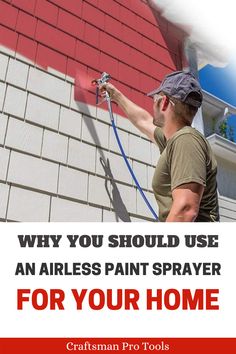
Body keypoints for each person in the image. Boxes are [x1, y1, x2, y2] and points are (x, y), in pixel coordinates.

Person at [100, 70, 219, 222]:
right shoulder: (175, 141)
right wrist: (115, 95)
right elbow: (143, 121)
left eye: (155, 98)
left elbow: (186, 209)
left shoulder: (186, 140)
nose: (153, 102)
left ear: (164, 102)